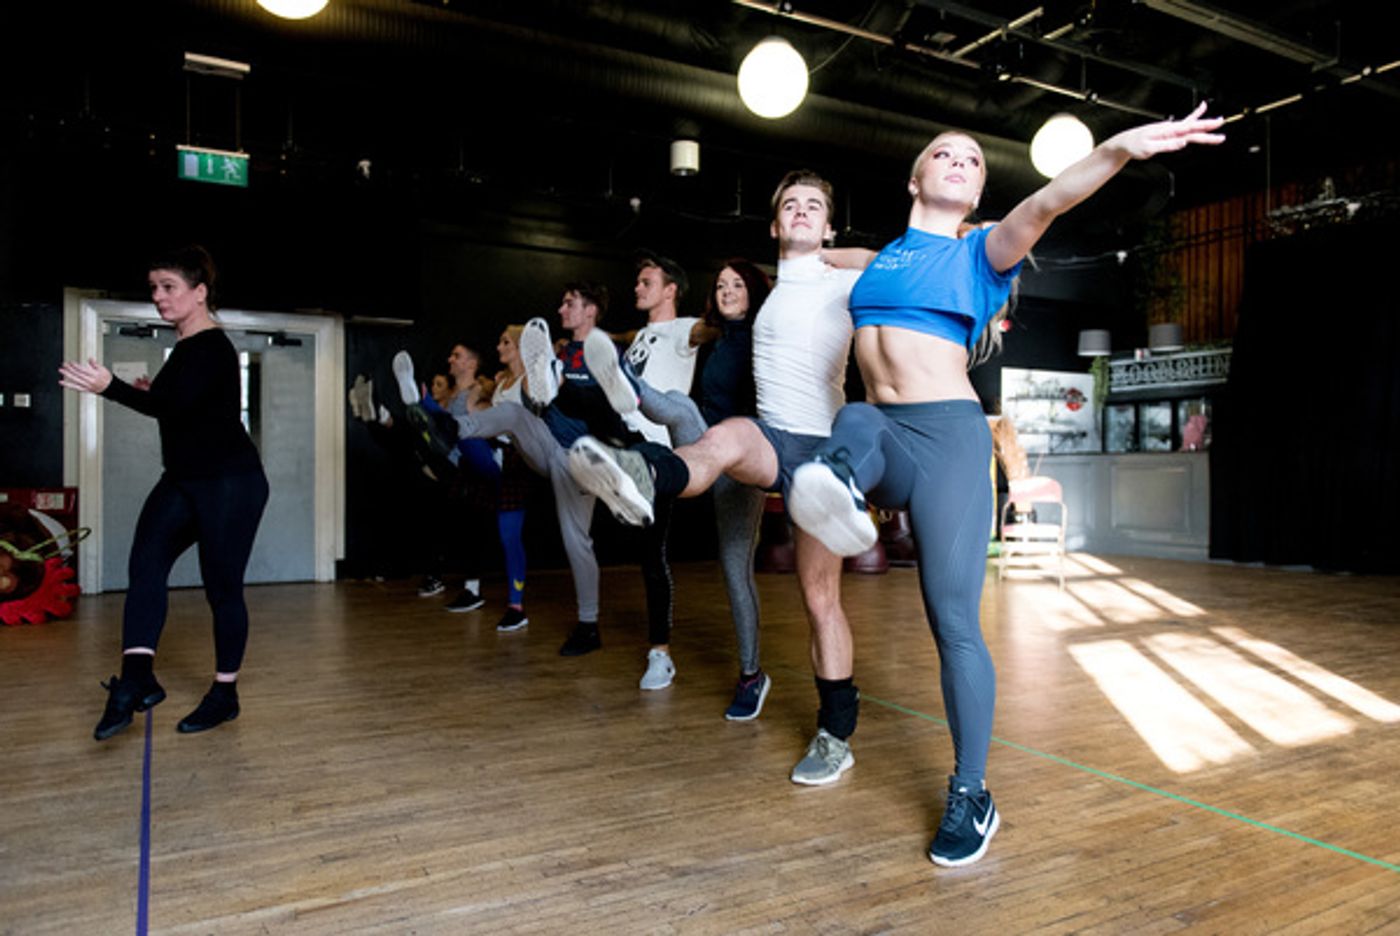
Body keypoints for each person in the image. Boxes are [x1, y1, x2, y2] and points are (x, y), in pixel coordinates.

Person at [784, 104, 1226, 867]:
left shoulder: (983, 252)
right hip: (885, 434)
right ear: (915, 176)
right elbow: (836, 258)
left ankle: (972, 792)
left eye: (974, 161)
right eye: (944, 153)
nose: (960, 162)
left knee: (952, 622)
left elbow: (1050, 200)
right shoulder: (884, 256)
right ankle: (840, 488)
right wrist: (804, 246)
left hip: (949, 443)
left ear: (980, 192)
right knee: (854, 417)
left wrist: (1119, 148)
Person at [565, 170, 865, 755]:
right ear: (776, 225)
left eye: (814, 207)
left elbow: (906, 260)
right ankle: (643, 473)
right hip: (768, 438)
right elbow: (690, 329)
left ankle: (835, 734)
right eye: (791, 207)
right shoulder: (768, 298)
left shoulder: (848, 280)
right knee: (722, 435)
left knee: (820, 599)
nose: (802, 213)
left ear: (827, 225)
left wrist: (833, 252)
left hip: (823, 452)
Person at [58, 245, 270, 740]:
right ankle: (135, 680)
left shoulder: (212, 346)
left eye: (169, 287)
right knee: (146, 564)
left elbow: (167, 408)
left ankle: (225, 693)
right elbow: (179, 405)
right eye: (153, 287)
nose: (158, 297)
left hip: (230, 483)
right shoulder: (186, 349)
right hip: (183, 478)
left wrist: (110, 385)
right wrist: (150, 391)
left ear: (199, 293)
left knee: (222, 589)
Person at [582, 258, 774, 718]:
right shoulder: (720, 337)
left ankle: (752, 675)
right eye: (721, 284)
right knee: (685, 409)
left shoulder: (766, 337)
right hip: (705, 448)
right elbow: (662, 335)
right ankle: (629, 397)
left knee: (734, 570)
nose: (727, 290)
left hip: (745, 460)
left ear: (754, 291)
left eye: (737, 284)